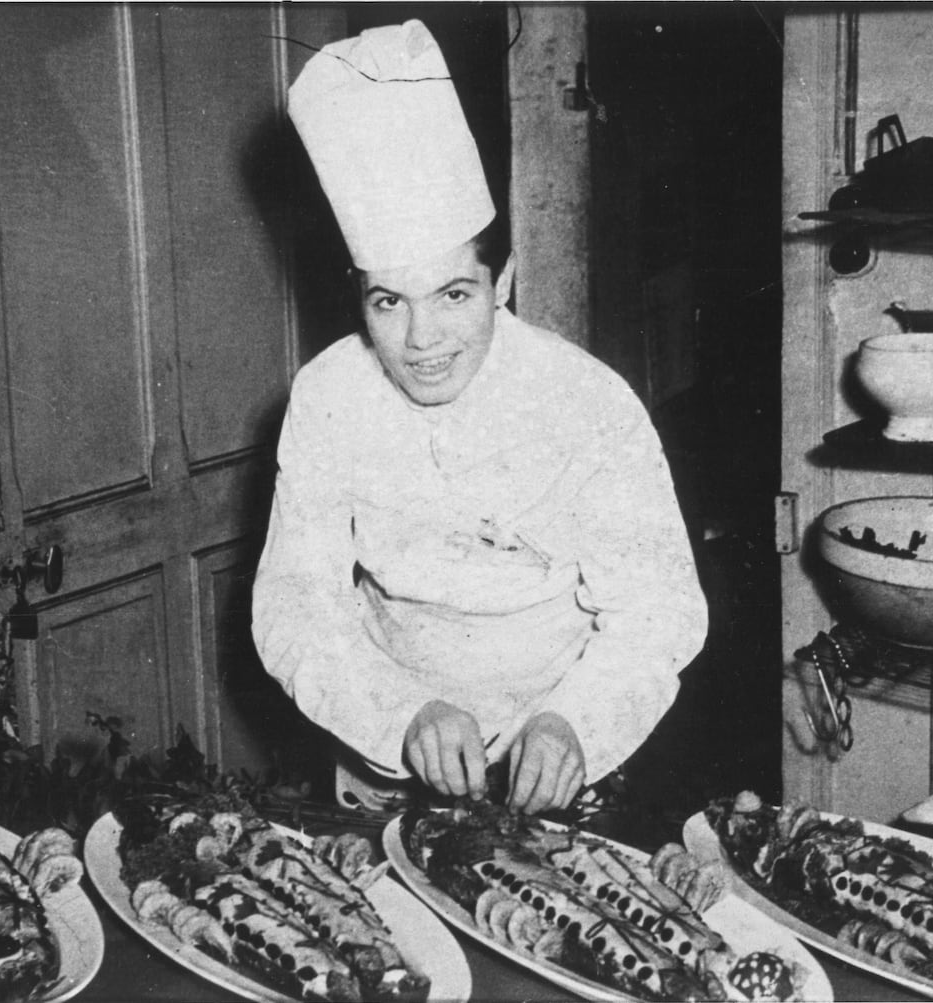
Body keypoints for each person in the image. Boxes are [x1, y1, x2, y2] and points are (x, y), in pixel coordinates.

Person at [252, 20, 708, 815]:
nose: (422, 341)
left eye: (454, 295)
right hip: (380, 753)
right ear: (358, 295)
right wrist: (400, 715)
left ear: (503, 280)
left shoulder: (588, 404)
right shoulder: (329, 398)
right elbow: (296, 603)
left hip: (560, 763)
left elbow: (659, 612)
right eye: (388, 301)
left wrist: (575, 724)